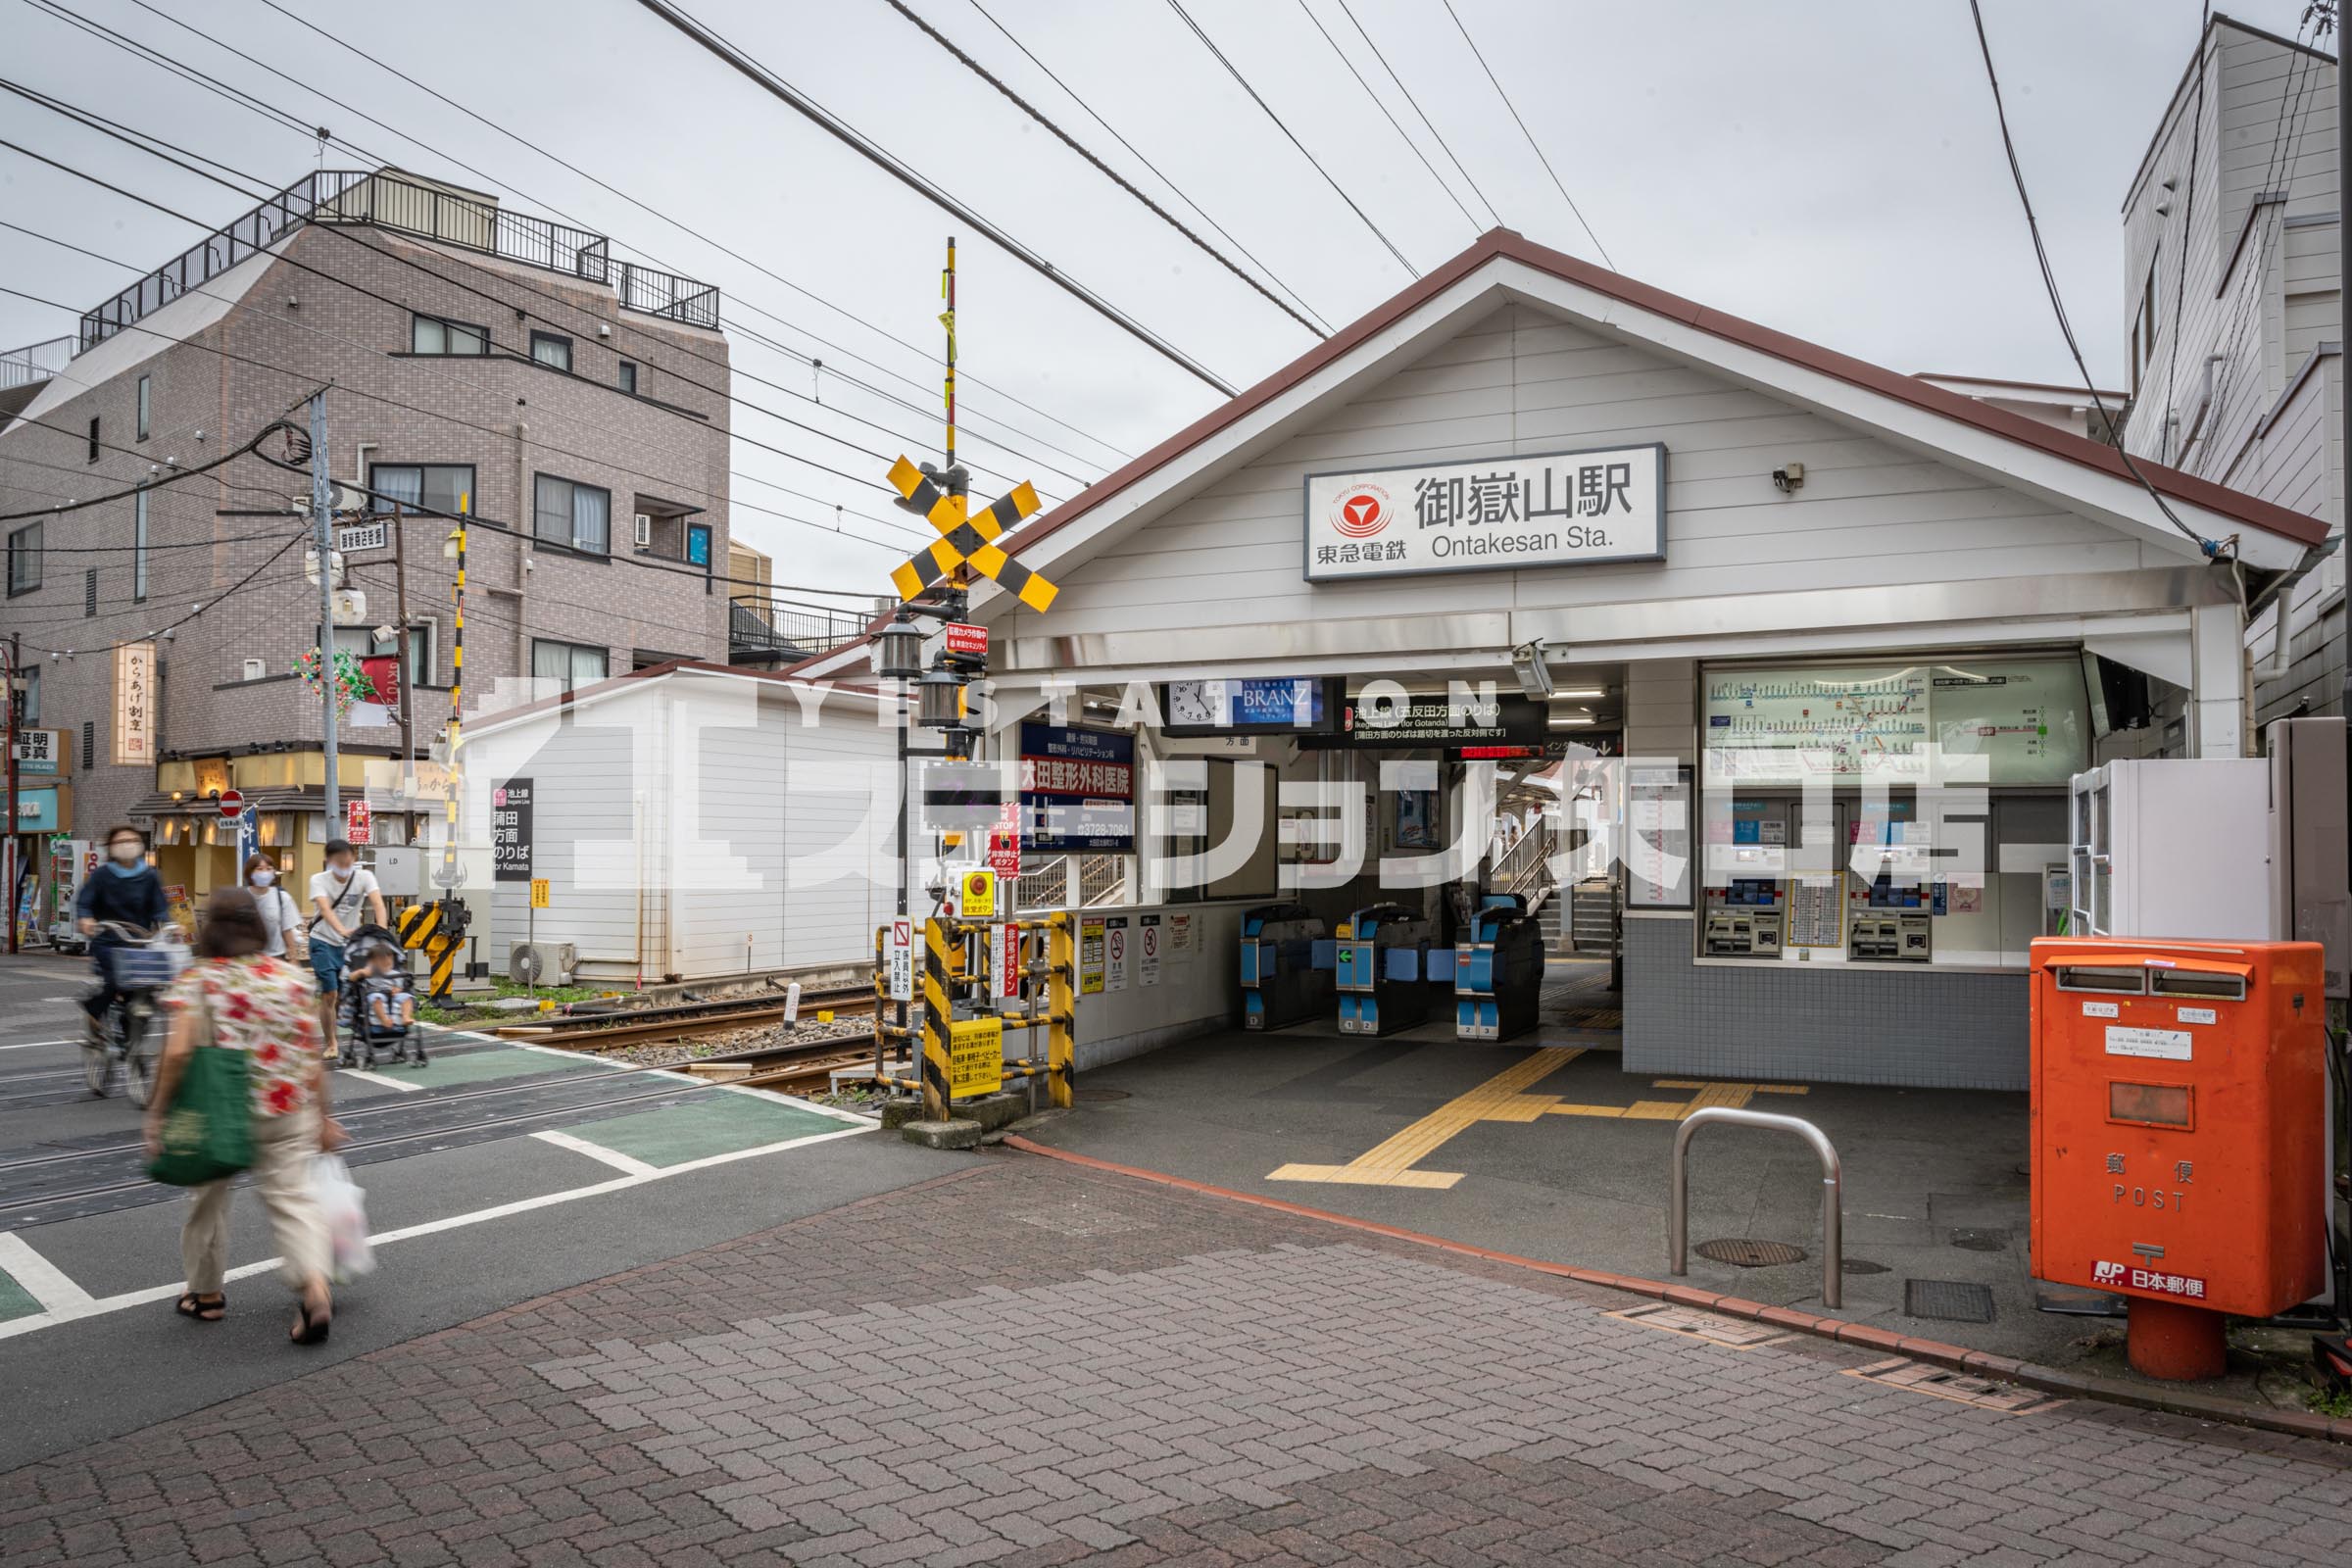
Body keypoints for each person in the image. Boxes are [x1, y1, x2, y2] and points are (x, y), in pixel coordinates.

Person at [142, 886, 345, 1343]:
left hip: (220, 1113)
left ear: (211, 928)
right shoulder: (291, 979)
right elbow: (312, 1058)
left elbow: (175, 1055)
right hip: (287, 1108)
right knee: (293, 1201)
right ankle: (314, 1290)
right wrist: (324, 1117)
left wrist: (157, 1113)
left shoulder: (200, 980)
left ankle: (206, 1295)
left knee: (207, 1201)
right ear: (259, 926)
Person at [75, 824, 171, 1047]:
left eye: (133, 840)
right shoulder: (101, 876)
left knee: (147, 989)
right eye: (121, 841)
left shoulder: (150, 876)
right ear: (111, 847)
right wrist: (86, 919)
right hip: (108, 941)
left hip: (139, 942)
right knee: (116, 980)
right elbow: (85, 903)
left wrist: (170, 925)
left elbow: (160, 907)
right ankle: (93, 1012)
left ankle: (131, 1039)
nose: (128, 845)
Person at [307, 839, 386, 1054]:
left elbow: (378, 903)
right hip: (322, 940)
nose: (343, 866)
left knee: (344, 994)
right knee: (329, 993)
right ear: (328, 861)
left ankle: (340, 1026)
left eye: (347, 861)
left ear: (354, 858)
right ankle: (331, 1042)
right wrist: (341, 930)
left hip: (350, 945)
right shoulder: (318, 880)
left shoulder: (364, 876)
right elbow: (325, 909)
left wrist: (382, 933)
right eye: (338, 862)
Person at [245, 853, 303, 960]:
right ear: (250, 872)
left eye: (269, 869)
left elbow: (287, 930)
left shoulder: (282, 897)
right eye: (260, 869)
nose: (264, 873)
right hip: (248, 958)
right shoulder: (241, 897)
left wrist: (293, 958)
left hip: (276, 957)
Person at [358, 945, 416, 1036]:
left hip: (392, 995)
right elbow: (351, 978)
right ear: (372, 962)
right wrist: (360, 973)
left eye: (389, 964)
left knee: (407, 997)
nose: (387, 965)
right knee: (377, 999)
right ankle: (384, 1020)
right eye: (383, 963)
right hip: (375, 994)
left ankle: (406, 1017)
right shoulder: (368, 972)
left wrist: (397, 990)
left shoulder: (395, 974)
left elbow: (399, 987)